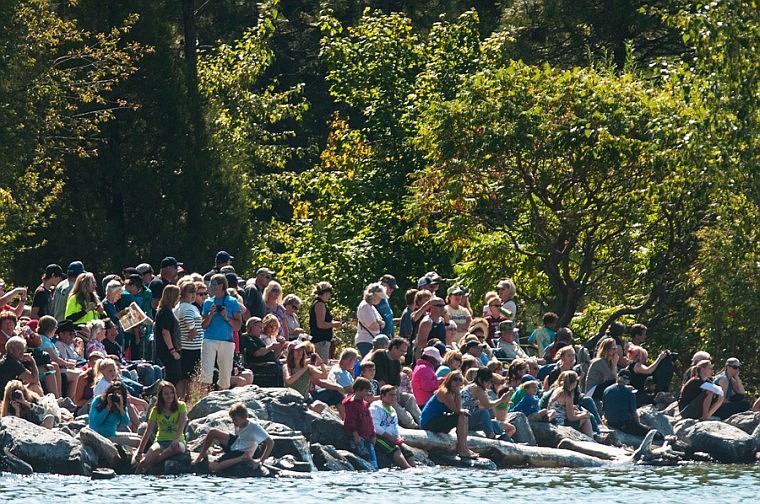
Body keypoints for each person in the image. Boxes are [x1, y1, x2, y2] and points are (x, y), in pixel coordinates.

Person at [192, 402, 274, 472]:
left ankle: (242, 458)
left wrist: (260, 461)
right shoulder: (239, 423)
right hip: (236, 443)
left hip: (242, 451)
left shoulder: (254, 427)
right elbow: (238, 436)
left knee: (212, 467)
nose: (233, 422)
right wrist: (221, 451)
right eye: (232, 419)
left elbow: (270, 442)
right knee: (213, 432)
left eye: (235, 419)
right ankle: (202, 454)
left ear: (244, 417)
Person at [419, 370, 479, 459]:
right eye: (455, 379)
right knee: (462, 415)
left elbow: (458, 408)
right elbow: (457, 410)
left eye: (460, 380)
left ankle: (464, 447)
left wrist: (457, 393)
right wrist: (458, 392)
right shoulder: (445, 392)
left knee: (463, 416)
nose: (457, 382)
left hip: (438, 419)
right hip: (429, 423)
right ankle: (462, 449)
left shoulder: (453, 393)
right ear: (449, 380)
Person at [134, 381, 188, 473]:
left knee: (176, 448)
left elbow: (181, 426)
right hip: (161, 441)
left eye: (171, 393)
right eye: (166, 394)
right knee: (144, 462)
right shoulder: (155, 410)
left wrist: (175, 440)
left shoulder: (181, 406)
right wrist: (140, 452)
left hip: (177, 440)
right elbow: (148, 432)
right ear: (161, 395)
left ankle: (155, 462)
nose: (169, 396)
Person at [200, 274, 241, 391]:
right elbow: (203, 325)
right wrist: (211, 314)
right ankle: (204, 399)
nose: (210, 287)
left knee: (225, 376)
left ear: (221, 285)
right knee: (206, 374)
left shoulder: (232, 302)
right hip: (209, 339)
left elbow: (237, 326)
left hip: (226, 341)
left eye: (213, 284)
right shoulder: (208, 302)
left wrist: (227, 317)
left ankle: (223, 399)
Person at [460, 368, 515, 440]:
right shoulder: (476, 388)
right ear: (480, 379)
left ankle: (508, 441)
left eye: (491, 381)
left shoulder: (480, 389)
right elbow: (488, 405)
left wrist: (504, 400)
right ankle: (491, 435)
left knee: (494, 423)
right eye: (487, 381)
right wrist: (501, 400)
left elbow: (483, 405)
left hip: (470, 419)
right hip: (463, 420)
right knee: (483, 412)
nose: (489, 384)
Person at [369, 385, 415, 469]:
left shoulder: (392, 410)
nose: (394, 397)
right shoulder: (375, 407)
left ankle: (414, 468)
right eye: (391, 395)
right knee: (394, 449)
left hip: (391, 437)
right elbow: (375, 427)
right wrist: (390, 437)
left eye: (395, 395)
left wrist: (398, 437)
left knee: (408, 452)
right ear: (382, 396)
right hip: (379, 437)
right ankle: (408, 469)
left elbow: (395, 426)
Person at [88, 380, 140, 446]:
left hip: (112, 434)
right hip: (100, 437)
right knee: (138, 442)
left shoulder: (121, 404)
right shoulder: (98, 400)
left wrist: (121, 409)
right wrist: (107, 408)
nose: (116, 397)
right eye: (115, 394)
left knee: (140, 437)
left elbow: (126, 422)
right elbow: (97, 421)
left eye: (119, 395)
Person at [175, 282, 203, 399]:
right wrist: (193, 329)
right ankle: (191, 400)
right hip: (192, 348)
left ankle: (181, 400)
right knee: (193, 377)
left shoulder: (178, 307)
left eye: (194, 292)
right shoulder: (189, 307)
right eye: (190, 292)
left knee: (183, 378)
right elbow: (187, 318)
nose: (193, 294)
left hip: (184, 347)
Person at [603, 369, 650, 437]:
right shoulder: (629, 393)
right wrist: (638, 425)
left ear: (617, 376)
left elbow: (604, 409)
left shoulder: (606, 390)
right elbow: (634, 414)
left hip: (610, 422)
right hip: (624, 425)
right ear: (628, 381)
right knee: (651, 432)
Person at [548, 370, 594, 438]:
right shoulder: (567, 395)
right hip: (560, 423)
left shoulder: (558, 390)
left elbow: (563, 410)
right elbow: (571, 418)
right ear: (574, 382)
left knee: (582, 414)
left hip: (554, 419)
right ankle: (590, 440)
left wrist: (578, 413)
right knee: (586, 418)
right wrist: (583, 415)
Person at [154, 285, 182, 386]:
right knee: (173, 376)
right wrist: (173, 351)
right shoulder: (165, 312)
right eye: (178, 295)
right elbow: (165, 332)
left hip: (168, 349)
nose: (179, 298)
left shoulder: (167, 310)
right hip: (167, 350)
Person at [308, 281, 342, 363]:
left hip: (320, 340)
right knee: (321, 364)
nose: (330, 295)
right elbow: (320, 324)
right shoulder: (320, 304)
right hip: (321, 341)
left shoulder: (317, 303)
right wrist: (334, 324)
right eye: (330, 293)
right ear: (326, 292)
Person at [342, 377, 376, 458]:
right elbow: (350, 420)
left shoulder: (365, 404)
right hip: (358, 438)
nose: (367, 393)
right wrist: (355, 435)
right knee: (365, 458)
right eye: (365, 391)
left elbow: (370, 420)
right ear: (358, 390)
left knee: (372, 461)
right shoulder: (352, 404)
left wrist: (373, 434)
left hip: (367, 436)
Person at [355, 283, 387, 357]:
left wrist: (380, 323)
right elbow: (373, 326)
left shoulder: (371, 306)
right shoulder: (365, 306)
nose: (381, 299)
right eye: (380, 297)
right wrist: (380, 323)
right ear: (374, 296)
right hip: (366, 340)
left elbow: (382, 323)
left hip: (370, 339)